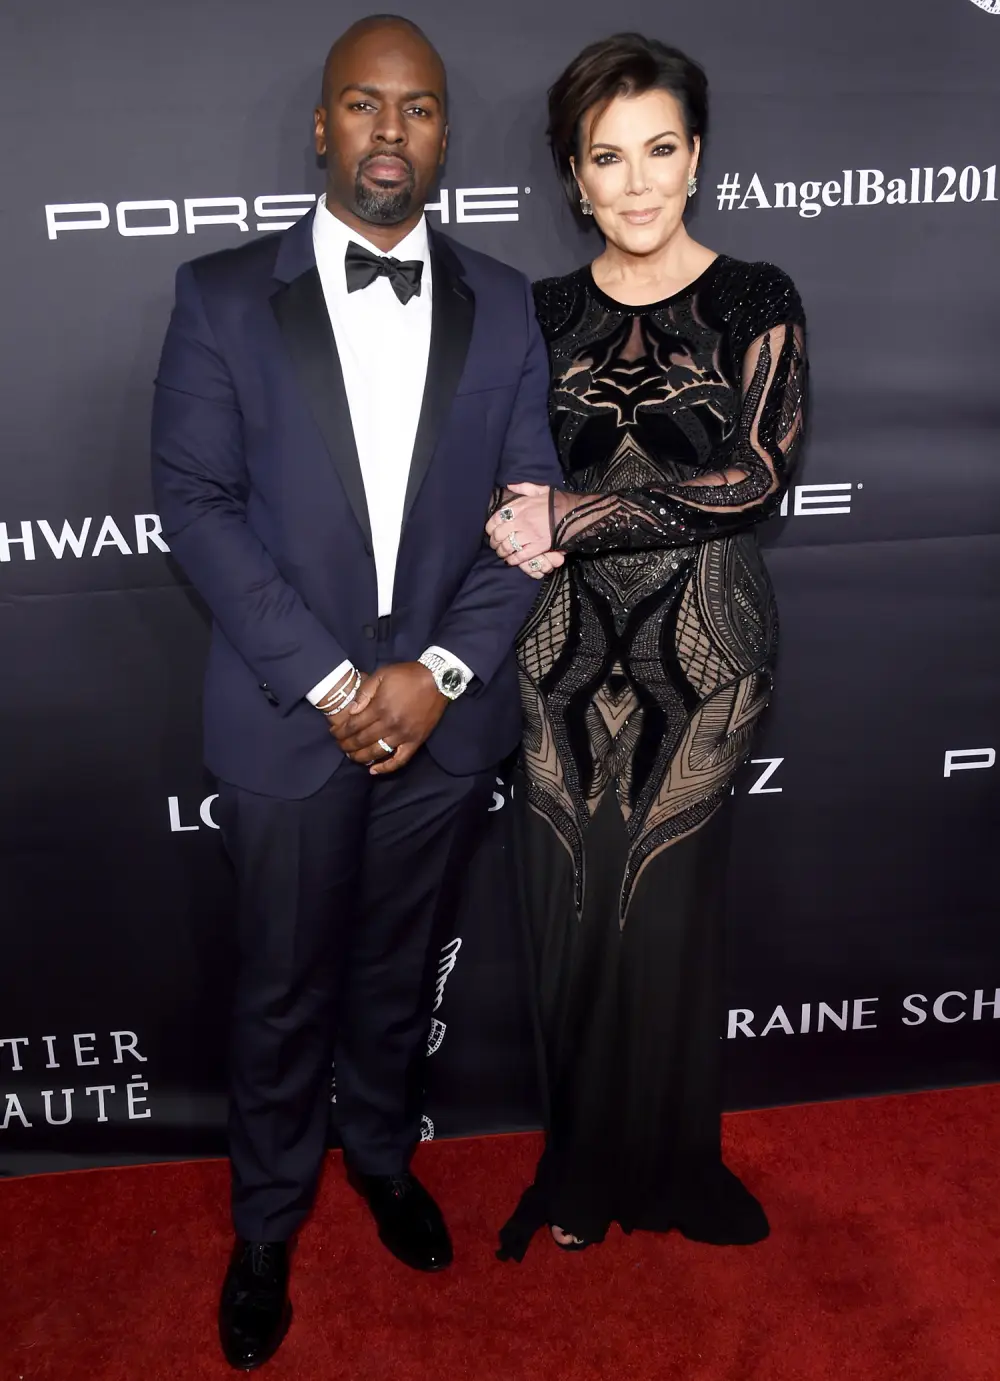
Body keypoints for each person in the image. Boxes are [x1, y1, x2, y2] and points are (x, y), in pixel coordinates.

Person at [151, 14, 562, 1369]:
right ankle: (267, 1220)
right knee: (282, 985)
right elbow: (196, 505)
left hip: (444, 722)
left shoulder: (505, 302)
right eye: (365, 104)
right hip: (290, 715)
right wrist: (339, 682)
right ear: (322, 125)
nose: (392, 131)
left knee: (394, 967)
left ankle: (382, 1157)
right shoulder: (221, 295)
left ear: (445, 135)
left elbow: (530, 510)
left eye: (420, 108)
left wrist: (437, 675)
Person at [486, 33, 808, 1259]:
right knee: (568, 916)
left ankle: (677, 1168)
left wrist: (568, 517)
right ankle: (576, 1172)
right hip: (559, 657)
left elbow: (757, 474)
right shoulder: (535, 313)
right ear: (574, 176)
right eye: (607, 157)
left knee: (664, 918)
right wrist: (509, 515)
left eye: (658, 149)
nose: (636, 183)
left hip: (705, 652)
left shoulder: (754, 297)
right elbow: (495, 474)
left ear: (696, 156)